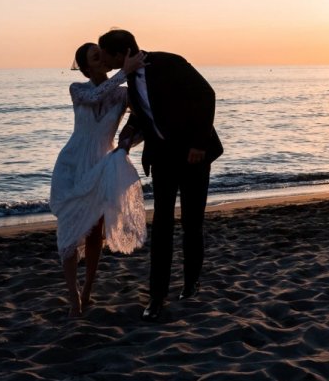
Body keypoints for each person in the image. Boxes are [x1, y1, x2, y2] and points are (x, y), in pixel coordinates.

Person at [98, 29, 223, 321]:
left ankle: (192, 282)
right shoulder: (128, 78)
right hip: (163, 159)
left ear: (120, 53)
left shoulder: (169, 62)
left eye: (105, 53)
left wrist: (198, 145)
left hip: (195, 155)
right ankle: (157, 297)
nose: (102, 59)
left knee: (193, 222)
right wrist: (124, 143)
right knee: (163, 226)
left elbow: (207, 95)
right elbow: (143, 113)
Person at [49, 42, 147, 317]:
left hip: (102, 165)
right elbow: (95, 97)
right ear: (85, 67)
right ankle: (73, 298)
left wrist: (126, 146)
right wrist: (123, 72)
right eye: (95, 57)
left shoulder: (123, 95)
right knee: (68, 231)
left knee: (95, 232)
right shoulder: (77, 90)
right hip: (72, 164)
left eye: (102, 54)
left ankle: (88, 289)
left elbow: (140, 121)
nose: (102, 58)